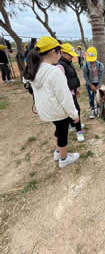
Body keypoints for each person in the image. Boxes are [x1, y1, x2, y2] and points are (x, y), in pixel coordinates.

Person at [24, 36, 80, 168]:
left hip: (46, 111)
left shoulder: (34, 69)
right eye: (59, 51)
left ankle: (57, 152)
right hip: (58, 111)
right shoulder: (54, 72)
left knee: (58, 130)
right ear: (52, 52)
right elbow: (65, 97)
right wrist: (74, 114)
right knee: (62, 134)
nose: (59, 55)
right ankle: (64, 159)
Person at [57, 43, 85, 142]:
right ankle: (79, 131)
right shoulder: (60, 66)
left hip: (72, 91)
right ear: (63, 53)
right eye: (70, 54)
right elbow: (61, 84)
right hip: (67, 94)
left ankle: (73, 125)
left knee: (73, 110)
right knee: (76, 111)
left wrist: (76, 89)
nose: (72, 56)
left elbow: (72, 77)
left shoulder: (69, 63)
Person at [83, 46, 104, 119]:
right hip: (90, 84)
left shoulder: (100, 65)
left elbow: (101, 75)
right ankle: (92, 110)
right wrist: (90, 84)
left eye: (93, 60)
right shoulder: (85, 65)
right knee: (91, 97)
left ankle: (98, 109)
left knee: (98, 97)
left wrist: (99, 84)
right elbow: (85, 76)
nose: (91, 62)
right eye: (90, 60)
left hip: (98, 84)